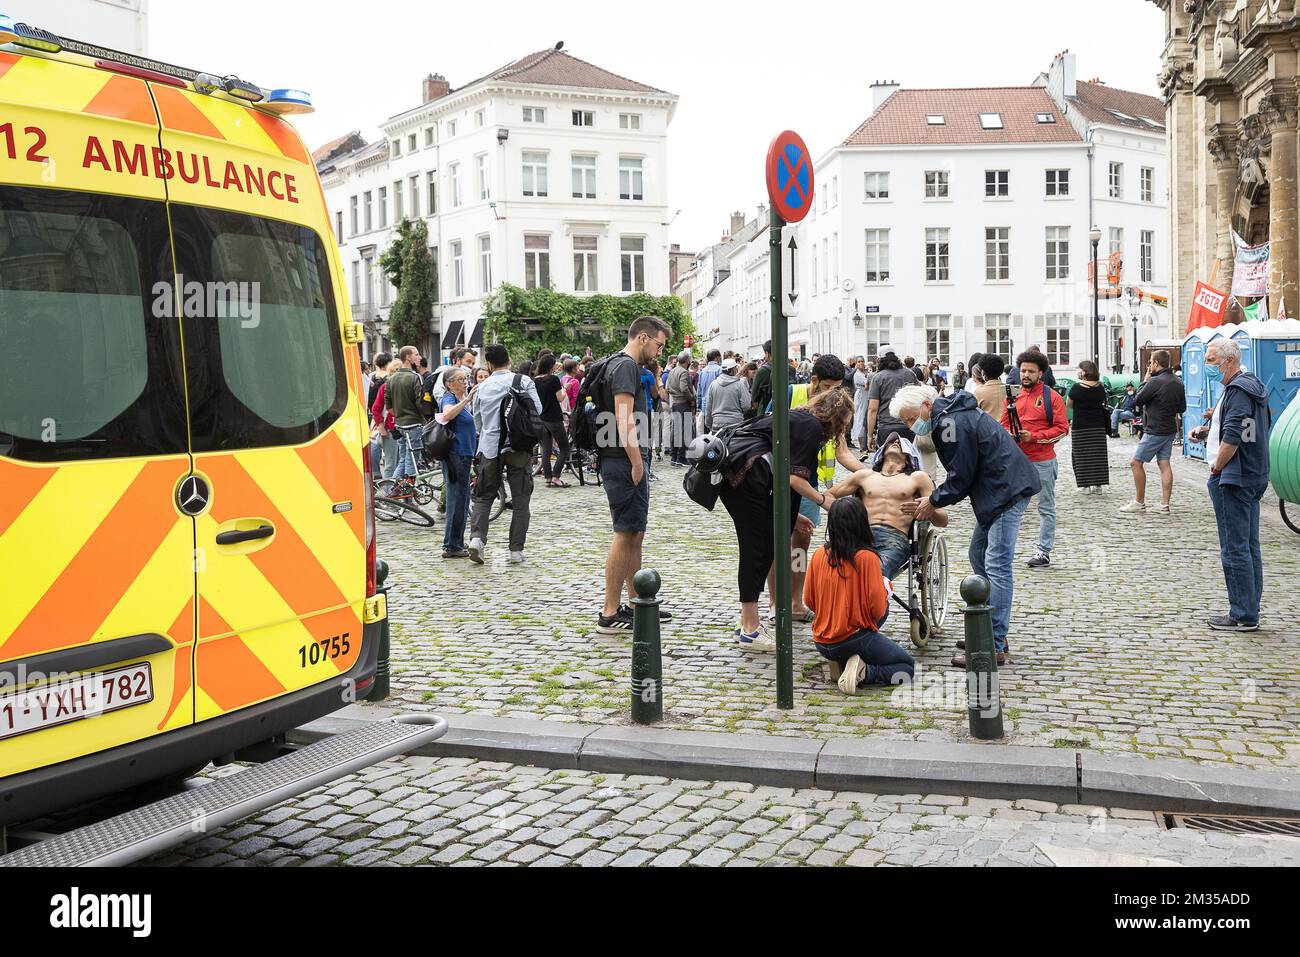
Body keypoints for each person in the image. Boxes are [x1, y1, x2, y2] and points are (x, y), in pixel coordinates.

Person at [893, 384, 1041, 666]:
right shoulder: (949, 418)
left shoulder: (950, 422)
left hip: (1005, 491)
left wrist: (933, 500)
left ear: (926, 405)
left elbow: (961, 475)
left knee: (997, 564)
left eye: (911, 418)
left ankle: (992, 644)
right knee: (978, 553)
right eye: (905, 422)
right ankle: (986, 627)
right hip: (999, 490)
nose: (911, 426)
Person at [718, 388, 854, 651]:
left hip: (743, 477)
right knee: (756, 549)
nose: (843, 430)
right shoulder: (811, 427)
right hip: (746, 478)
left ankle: (748, 620)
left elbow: (784, 477)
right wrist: (824, 501)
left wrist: (794, 517)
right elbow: (793, 479)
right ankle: (749, 629)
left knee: (763, 546)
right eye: (844, 423)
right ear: (836, 417)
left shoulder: (801, 419)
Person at [596, 316, 674, 635]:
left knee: (634, 532)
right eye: (658, 345)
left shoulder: (615, 364)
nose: (658, 352)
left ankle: (634, 604)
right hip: (623, 459)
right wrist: (637, 461)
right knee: (625, 532)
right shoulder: (626, 366)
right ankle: (610, 611)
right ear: (643, 338)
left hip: (620, 458)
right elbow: (623, 417)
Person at [1189, 339, 1271, 631]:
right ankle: (1250, 606)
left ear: (1229, 362)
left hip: (1234, 477)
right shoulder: (1251, 386)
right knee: (1249, 546)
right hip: (1253, 473)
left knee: (1234, 548)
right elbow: (1248, 428)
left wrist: (1217, 467)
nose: (1209, 366)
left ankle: (1242, 614)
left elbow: (1234, 437)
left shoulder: (1237, 391)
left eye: (1212, 361)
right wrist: (1208, 431)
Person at [782, 355, 870, 624]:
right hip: (782, 481)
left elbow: (843, 455)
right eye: (830, 387)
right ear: (814, 380)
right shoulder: (790, 393)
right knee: (778, 544)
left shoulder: (836, 409)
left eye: (839, 387)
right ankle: (777, 604)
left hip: (810, 484)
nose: (835, 393)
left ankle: (795, 601)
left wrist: (871, 474)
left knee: (799, 545)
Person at [804, 497, 915, 694]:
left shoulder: (819, 554)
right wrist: (884, 591)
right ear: (862, 523)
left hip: (821, 642)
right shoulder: (868, 558)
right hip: (852, 639)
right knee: (906, 668)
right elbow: (878, 608)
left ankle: (841, 663)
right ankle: (863, 672)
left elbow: (809, 600)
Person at [829, 432, 949, 581]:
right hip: (861, 535)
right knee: (835, 567)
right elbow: (828, 496)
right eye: (891, 441)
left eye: (900, 443)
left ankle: (875, 603)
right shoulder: (864, 476)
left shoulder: (918, 478)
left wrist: (927, 509)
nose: (895, 442)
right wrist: (844, 513)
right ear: (882, 452)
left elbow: (943, 520)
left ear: (908, 459)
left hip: (894, 538)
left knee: (875, 572)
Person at [467, 344, 542, 565]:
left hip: (490, 448)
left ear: (488, 364)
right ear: (508, 359)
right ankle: (515, 550)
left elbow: (477, 421)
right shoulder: (523, 381)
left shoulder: (482, 387)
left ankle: (477, 540)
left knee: (483, 496)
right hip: (518, 447)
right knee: (521, 499)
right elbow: (537, 410)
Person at [1002, 351, 1069, 568]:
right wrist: (1009, 434)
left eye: (1031, 371)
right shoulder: (1012, 397)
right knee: (1011, 508)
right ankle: (1005, 550)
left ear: (1041, 372)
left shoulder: (1052, 397)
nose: (1026, 375)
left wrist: (1035, 437)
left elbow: (1062, 429)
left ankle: (1043, 552)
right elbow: (1002, 424)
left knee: (1045, 508)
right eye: (1023, 371)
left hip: (1043, 461)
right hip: (1017, 462)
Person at [1119, 350, 1186, 515]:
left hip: (1155, 429)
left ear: (1156, 363)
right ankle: (1164, 505)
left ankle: (1139, 501)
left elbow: (1137, 400)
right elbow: (1182, 408)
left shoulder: (1155, 381)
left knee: (1136, 462)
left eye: (1150, 362)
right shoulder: (1178, 381)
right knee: (1164, 464)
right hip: (1170, 428)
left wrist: (1145, 381)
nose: (1149, 365)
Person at [435, 367, 476, 558]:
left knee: (462, 498)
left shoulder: (459, 399)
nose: (465, 381)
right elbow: (447, 414)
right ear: (450, 383)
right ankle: (451, 545)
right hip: (456, 455)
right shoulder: (449, 398)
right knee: (457, 499)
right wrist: (467, 400)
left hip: (464, 454)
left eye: (465, 378)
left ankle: (456, 542)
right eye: (461, 379)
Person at [383, 346, 426, 496]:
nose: (419, 357)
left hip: (399, 424)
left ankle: (393, 489)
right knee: (412, 459)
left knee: (403, 459)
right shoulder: (415, 377)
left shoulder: (391, 379)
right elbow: (420, 403)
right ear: (408, 358)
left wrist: (400, 415)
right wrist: (424, 418)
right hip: (413, 424)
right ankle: (406, 493)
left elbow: (388, 406)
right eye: (416, 354)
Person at [1068, 360, 1110, 494]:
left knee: (1081, 455)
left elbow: (1069, 404)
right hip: (1098, 425)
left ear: (1084, 371)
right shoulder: (1100, 386)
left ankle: (1084, 485)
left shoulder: (1076, 387)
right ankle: (1098, 485)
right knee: (1097, 455)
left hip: (1080, 425)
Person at [865, 344, 919, 451]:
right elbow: (918, 401)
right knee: (909, 462)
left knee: (887, 463)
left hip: (887, 427)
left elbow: (872, 409)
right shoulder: (910, 374)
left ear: (879, 360)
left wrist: (870, 435)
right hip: (909, 425)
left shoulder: (878, 378)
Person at [532, 354, 571, 488]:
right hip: (553, 418)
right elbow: (560, 398)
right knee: (565, 448)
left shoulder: (535, 380)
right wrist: (565, 388)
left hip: (541, 418)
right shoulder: (553, 379)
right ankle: (556, 476)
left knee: (546, 450)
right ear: (551, 366)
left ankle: (548, 477)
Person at [368, 354, 398, 480]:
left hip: (377, 419)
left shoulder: (371, 377)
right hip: (386, 422)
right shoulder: (386, 385)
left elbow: (372, 405)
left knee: (376, 446)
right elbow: (377, 407)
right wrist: (381, 426)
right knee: (391, 461)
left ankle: (376, 473)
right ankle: (387, 489)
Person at [667, 350, 696, 466]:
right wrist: (691, 398)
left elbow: (667, 387)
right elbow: (684, 388)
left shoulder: (672, 371)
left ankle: (674, 457)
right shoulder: (683, 372)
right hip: (683, 404)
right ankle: (681, 458)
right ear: (687, 360)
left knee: (676, 431)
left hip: (675, 403)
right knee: (685, 431)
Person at [970, 353, 1007, 420]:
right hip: (1007, 428)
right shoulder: (1009, 389)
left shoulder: (978, 392)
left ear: (983, 373)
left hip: (988, 428)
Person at [696, 349, 723, 433]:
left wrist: (699, 405)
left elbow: (699, 391)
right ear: (717, 358)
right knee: (716, 434)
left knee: (706, 433)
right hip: (717, 406)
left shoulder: (702, 371)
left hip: (705, 406)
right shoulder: (719, 370)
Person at [748, 340, 774, 419]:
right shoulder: (790, 369)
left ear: (767, 353)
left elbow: (754, 396)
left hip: (765, 411)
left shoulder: (762, 371)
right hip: (787, 411)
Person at [852, 357, 871, 449]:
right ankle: (860, 441)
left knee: (865, 416)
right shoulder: (857, 374)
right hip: (861, 395)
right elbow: (866, 385)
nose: (861, 363)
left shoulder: (865, 372)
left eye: (862, 361)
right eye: (858, 361)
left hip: (866, 395)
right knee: (860, 416)